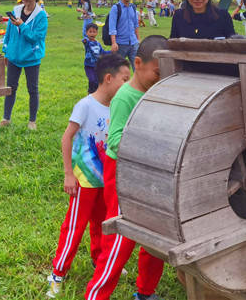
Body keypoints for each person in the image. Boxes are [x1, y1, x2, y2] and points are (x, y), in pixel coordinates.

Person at [84, 35, 169, 300]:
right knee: (121, 236)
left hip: (150, 172)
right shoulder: (124, 97)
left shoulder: (157, 92)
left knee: (155, 234)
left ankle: (146, 292)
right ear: (138, 63)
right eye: (157, 72)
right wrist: (150, 146)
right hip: (122, 173)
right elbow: (115, 139)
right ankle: (96, 295)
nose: (160, 78)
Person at [47, 54, 131, 299]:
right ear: (108, 78)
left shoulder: (118, 106)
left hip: (107, 181)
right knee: (75, 227)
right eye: (125, 79)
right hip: (84, 181)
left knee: (102, 224)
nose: (128, 85)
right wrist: (68, 174)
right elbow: (66, 138)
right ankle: (57, 273)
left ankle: (99, 260)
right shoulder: (86, 105)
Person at [1, 0, 48, 130]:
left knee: (32, 89)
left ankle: (32, 121)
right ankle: (6, 118)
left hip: (31, 58)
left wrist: (22, 25)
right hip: (14, 56)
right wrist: (6, 51)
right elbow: (8, 33)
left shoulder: (41, 16)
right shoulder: (16, 11)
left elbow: (36, 38)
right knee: (10, 88)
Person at [108, 0, 140, 70]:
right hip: (120, 44)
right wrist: (114, 43)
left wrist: (138, 40)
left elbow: (136, 25)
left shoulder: (133, 7)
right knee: (117, 70)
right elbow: (112, 27)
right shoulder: (115, 8)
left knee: (138, 69)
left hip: (133, 43)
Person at [83, 23, 111, 93]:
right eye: (90, 32)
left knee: (97, 81)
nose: (92, 34)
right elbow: (85, 41)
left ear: (97, 33)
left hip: (97, 66)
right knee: (92, 80)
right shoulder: (87, 42)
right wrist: (85, 40)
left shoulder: (98, 44)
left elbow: (102, 53)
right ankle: (90, 92)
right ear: (86, 33)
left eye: (94, 32)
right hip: (89, 66)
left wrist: (111, 52)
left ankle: (96, 93)